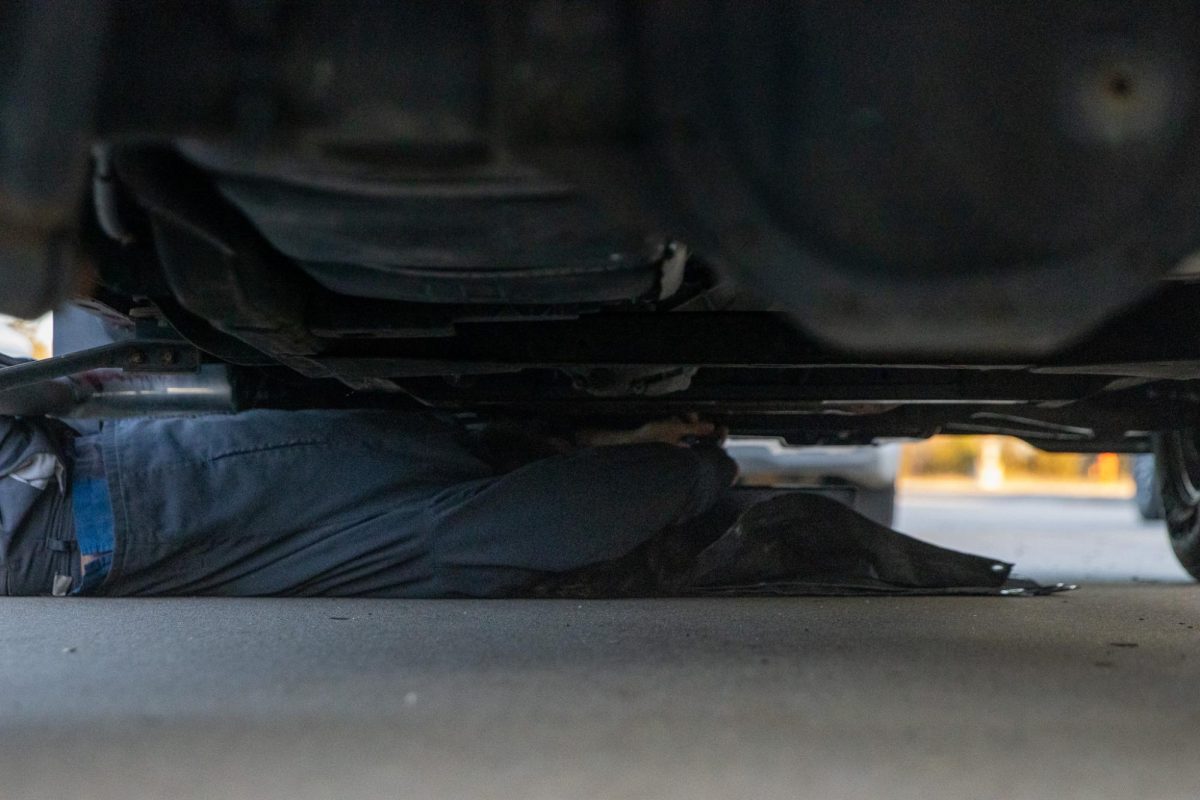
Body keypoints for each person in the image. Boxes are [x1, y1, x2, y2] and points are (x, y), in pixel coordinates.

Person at [0, 409, 739, 598]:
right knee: (415, 465)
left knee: (441, 537)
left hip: (92, 562)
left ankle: (670, 472)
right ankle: (687, 472)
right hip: (111, 497)